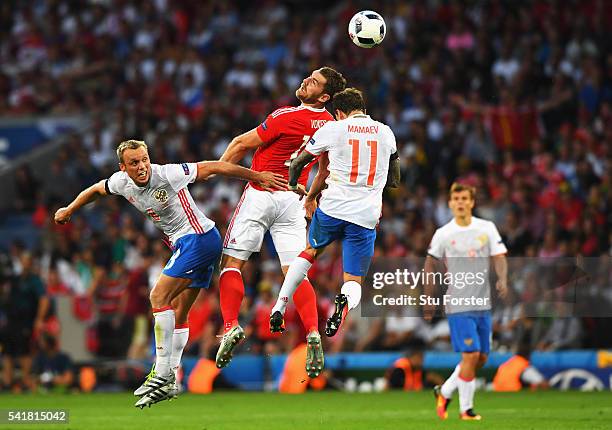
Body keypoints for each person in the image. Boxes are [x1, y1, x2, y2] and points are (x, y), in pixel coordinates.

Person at [54, 139, 285, 408]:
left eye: (144, 159)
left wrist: (256, 176)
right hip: (193, 242)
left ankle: (161, 372)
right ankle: (172, 378)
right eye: (134, 163)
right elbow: (96, 189)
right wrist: (70, 209)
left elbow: (212, 167)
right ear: (123, 167)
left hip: (198, 238)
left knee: (157, 296)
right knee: (179, 312)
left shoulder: (167, 174)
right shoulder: (120, 182)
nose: (142, 167)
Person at [216, 67, 346, 378]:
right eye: (309, 76)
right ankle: (313, 331)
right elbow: (325, 170)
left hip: (261, 193)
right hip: (293, 199)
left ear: (325, 96)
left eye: (313, 82)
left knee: (232, 264)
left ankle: (231, 325)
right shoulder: (331, 126)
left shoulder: (285, 116)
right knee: (295, 272)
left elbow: (239, 144)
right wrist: (312, 197)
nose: (305, 80)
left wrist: (218, 173)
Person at [268, 87, 400, 350]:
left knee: (310, 252)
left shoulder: (335, 129)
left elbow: (297, 163)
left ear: (339, 112)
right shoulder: (386, 132)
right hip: (365, 216)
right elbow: (395, 179)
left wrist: (296, 187)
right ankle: (343, 303)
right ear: (362, 107)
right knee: (353, 281)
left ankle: (280, 304)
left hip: (333, 208)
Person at [425, 182, 508, 421]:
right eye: (456, 199)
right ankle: (466, 410)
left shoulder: (487, 228)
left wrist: (502, 278)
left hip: (483, 304)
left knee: (481, 358)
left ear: (472, 202)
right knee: (470, 356)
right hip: (458, 304)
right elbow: (430, 264)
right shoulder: (443, 233)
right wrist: (429, 298)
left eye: (464, 199)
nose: (460, 203)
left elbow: (500, 256)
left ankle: (445, 391)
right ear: (450, 203)